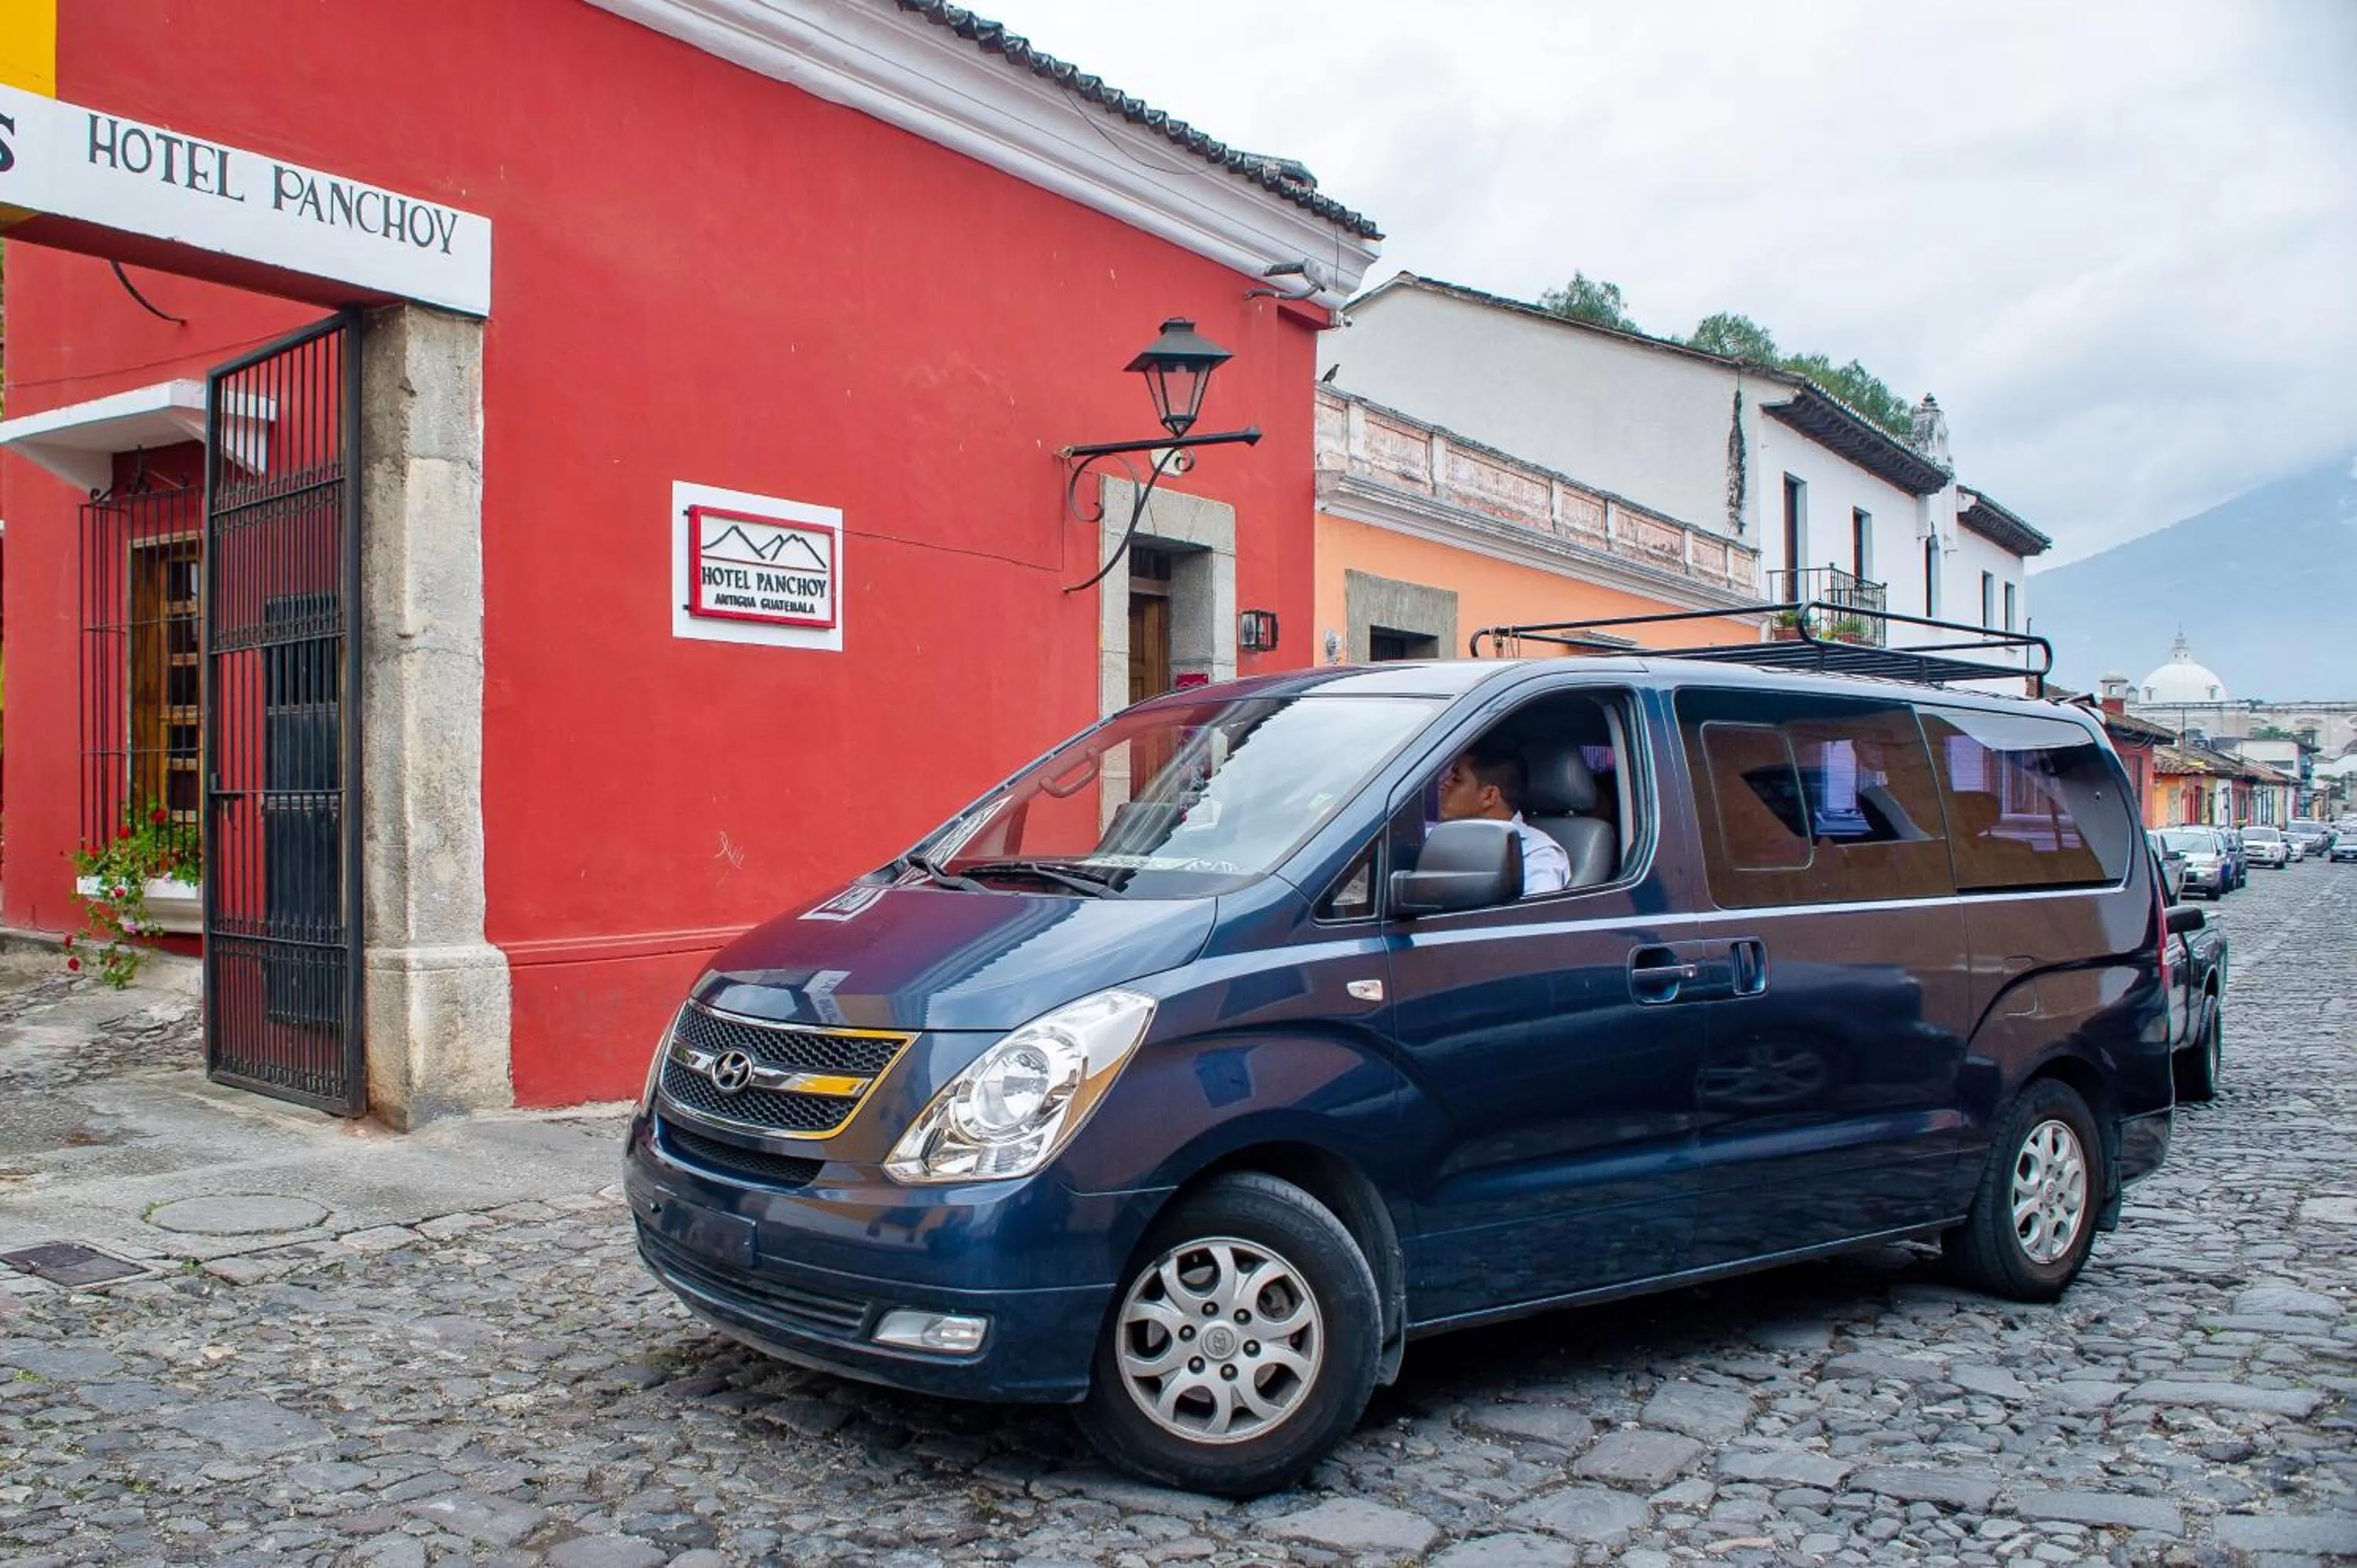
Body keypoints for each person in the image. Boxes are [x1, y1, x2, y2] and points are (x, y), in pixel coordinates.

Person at [1436, 741, 1570, 897]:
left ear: (1489, 796)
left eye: (1457, 780)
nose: (1443, 784)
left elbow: (1531, 916)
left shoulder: (1536, 853)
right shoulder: (1438, 837)